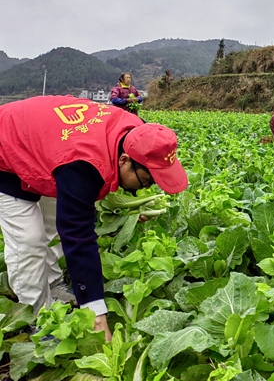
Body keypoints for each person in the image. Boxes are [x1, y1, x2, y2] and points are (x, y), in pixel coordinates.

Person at [0, 95, 188, 341]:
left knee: (51, 224)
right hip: (7, 149)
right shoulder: (83, 165)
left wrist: (127, 209)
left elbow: (86, 196)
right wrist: (96, 313)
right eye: (146, 182)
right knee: (29, 240)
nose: (145, 189)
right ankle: (36, 315)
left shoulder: (135, 132)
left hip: (47, 146)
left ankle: (53, 284)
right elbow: (78, 237)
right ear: (124, 160)